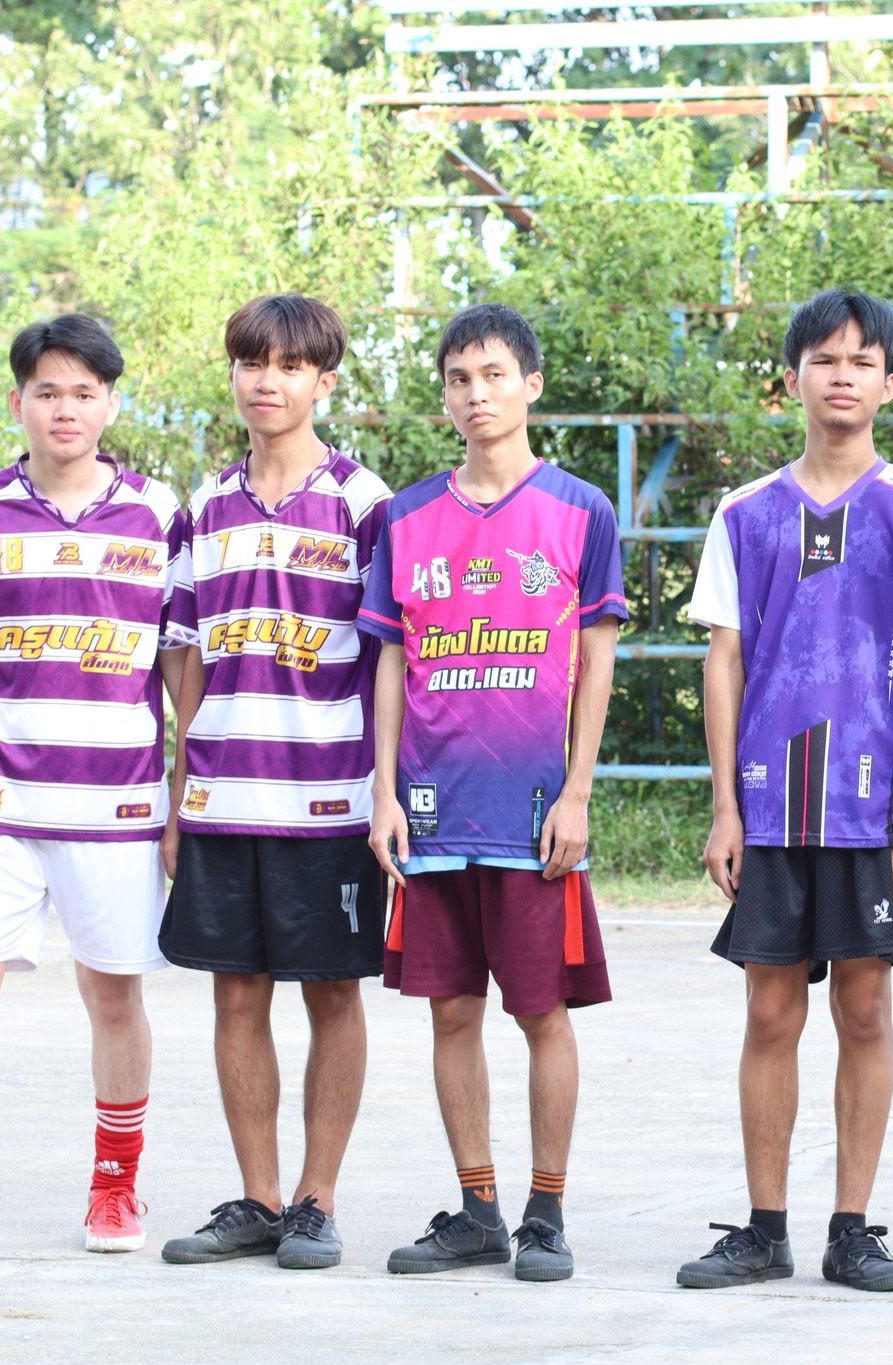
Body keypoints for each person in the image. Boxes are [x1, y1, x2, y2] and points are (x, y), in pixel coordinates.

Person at [0, 314, 190, 1263]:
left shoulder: (160, 514)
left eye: (84, 392)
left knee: (113, 996)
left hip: (119, 805)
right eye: (48, 391)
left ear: (111, 404)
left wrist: (185, 788)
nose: (66, 409)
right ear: (18, 400)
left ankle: (115, 1191)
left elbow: (180, 664)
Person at [676, 291, 893, 1293]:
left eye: (861, 361)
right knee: (769, 1012)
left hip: (870, 805)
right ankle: (763, 1228)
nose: (842, 376)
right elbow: (723, 659)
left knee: (865, 1010)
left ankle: (852, 1228)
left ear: (889, 383)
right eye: (824, 359)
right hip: (770, 803)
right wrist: (724, 806)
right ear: (791, 378)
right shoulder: (745, 513)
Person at [359, 303, 626, 1282]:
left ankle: (544, 1213)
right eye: (459, 379)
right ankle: (477, 1210)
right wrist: (385, 792)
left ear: (531, 385)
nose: (477, 394)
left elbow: (596, 661)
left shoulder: (581, 511)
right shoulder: (406, 517)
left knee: (540, 1013)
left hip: (533, 814)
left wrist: (578, 792)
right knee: (449, 1013)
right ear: (445, 396)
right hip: (432, 813)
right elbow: (392, 662)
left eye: (494, 375)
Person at [156, 294, 392, 1271]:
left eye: (290, 365)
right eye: (252, 362)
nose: (268, 381)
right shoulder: (202, 508)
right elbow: (182, 655)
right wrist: (181, 792)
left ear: (324, 380)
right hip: (222, 799)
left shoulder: (365, 503)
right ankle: (256, 1198)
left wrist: (385, 793)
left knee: (332, 996)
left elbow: (391, 658)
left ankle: (314, 1200)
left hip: (329, 801)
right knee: (235, 998)